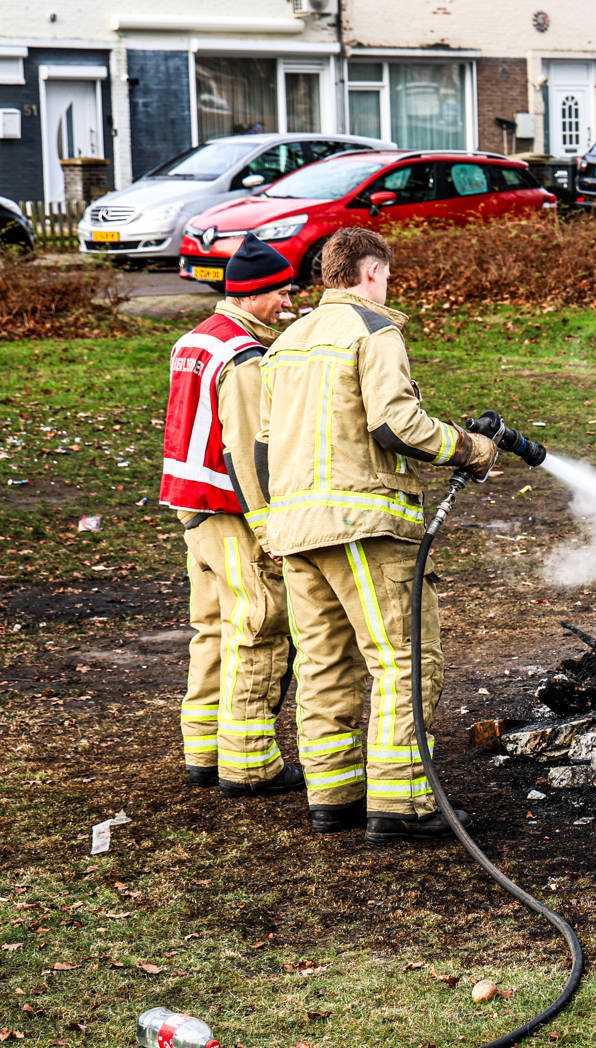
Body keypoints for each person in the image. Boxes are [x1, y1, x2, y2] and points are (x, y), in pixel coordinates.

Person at [257, 227, 497, 843]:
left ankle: (332, 796)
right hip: (363, 525)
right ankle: (402, 805)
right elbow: (396, 423)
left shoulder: (284, 343)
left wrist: (276, 520)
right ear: (370, 273)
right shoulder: (373, 330)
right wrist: (467, 447)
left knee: (323, 663)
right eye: (385, 274)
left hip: (294, 528)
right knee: (404, 660)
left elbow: (262, 449)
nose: (387, 284)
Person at [160, 235, 304, 797]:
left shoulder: (196, 339)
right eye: (283, 294)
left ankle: (203, 749)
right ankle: (248, 761)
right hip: (229, 507)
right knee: (261, 625)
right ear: (255, 294)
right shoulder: (243, 356)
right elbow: (246, 448)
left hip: (190, 503)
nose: (289, 304)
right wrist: (268, 525)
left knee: (213, 627)